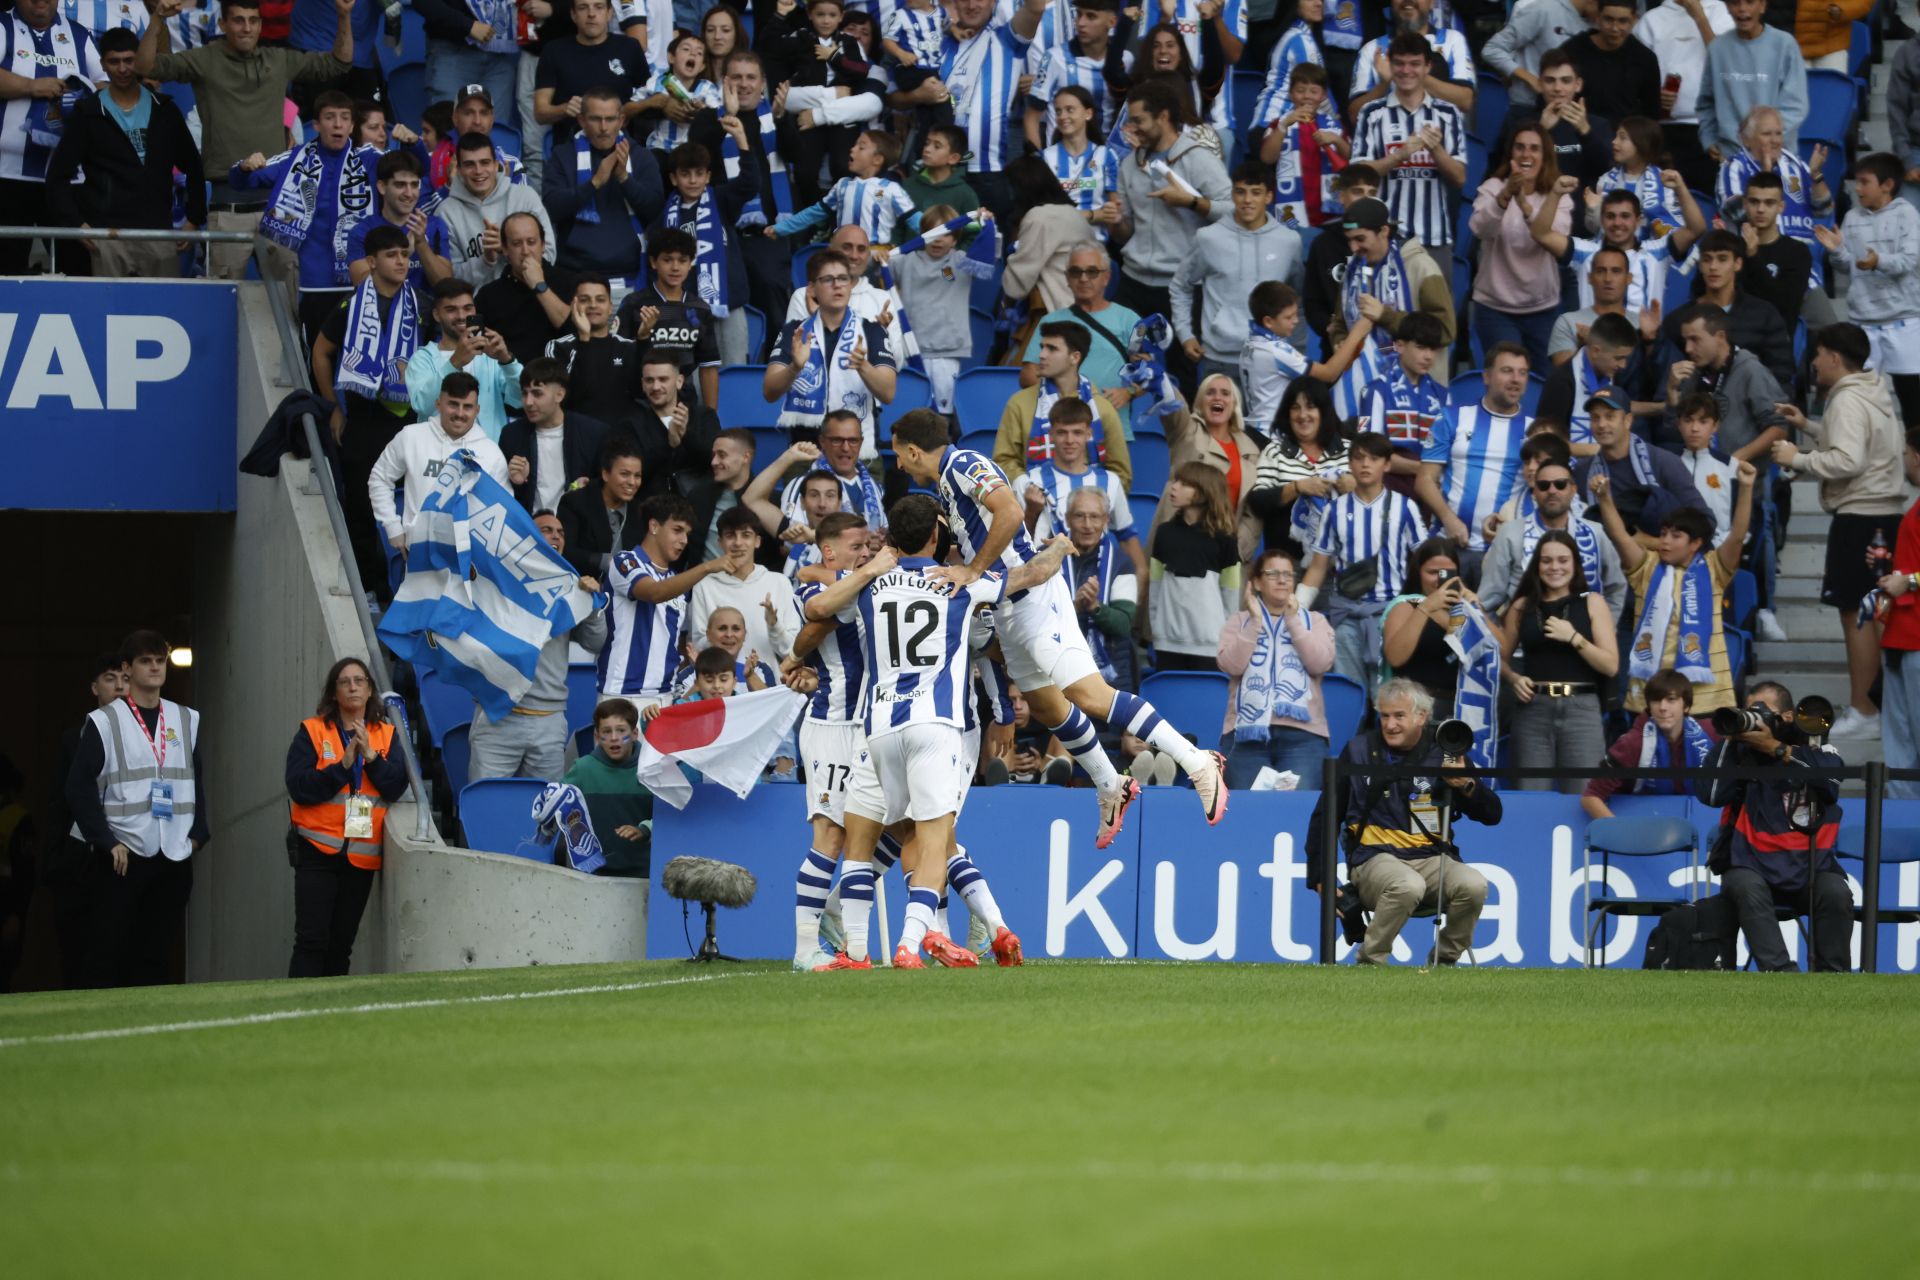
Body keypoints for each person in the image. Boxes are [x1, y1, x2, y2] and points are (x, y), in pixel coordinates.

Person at [890, 408, 1230, 846]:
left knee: (1088, 694)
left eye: (900, 455)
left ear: (915, 450)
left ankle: (1198, 762)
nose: (898, 464)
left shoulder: (963, 464)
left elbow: (1009, 512)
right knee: (1048, 707)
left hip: (1034, 600)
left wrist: (973, 570)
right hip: (1008, 607)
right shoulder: (948, 483)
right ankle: (1111, 785)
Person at [815, 493, 1069, 969]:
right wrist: (1056, 548)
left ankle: (856, 949)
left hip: (880, 727)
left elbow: (820, 609)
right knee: (933, 839)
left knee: (866, 838)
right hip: (936, 726)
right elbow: (1033, 575)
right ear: (937, 534)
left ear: (890, 537)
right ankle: (915, 942)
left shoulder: (868, 585)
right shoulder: (963, 585)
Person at [135, 0, 349, 282]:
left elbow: (339, 63)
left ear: (261, 25)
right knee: (221, 302)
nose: (247, 28)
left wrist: (344, 15)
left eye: (253, 20)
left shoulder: (278, 59)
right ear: (223, 24)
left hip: (280, 206)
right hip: (228, 206)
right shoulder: (204, 59)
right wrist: (157, 20)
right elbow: (146, 65)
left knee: (290, 304)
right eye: (238, 20)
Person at [1307, 677, 1503, 966]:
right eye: (1384, 716)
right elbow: (1325, 816)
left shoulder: (1446, 750)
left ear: (1421, 716)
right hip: (1373, 858)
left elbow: (1492, 814)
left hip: (1432, 857)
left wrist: (1465, 785)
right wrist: (1320, 878)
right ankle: (1370, 963)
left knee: (1474, 885)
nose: (1390, 724)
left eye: (1399, 716)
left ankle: (1443, 963)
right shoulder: (1359, 750)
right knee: (1407, 884)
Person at [1770, 324, 1904, 741]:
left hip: (1861, 518)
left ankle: (1864, 709)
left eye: (1818, 354)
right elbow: (1855, 441)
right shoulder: (1872, 389)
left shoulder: (1846, 399)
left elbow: (1847, 460)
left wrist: (1799, 456)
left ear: (1832, 357)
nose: (1813, 362)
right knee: (1872, 612)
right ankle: (1880, 705)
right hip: (1883, 517)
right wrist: (1810, 426)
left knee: (1857, 614)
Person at [66, 630, 206, 988]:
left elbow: (195, 778)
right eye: (146, 661)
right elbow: (78, 787)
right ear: (128, 669)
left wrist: (198, 834)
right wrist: (105, 840)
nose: (156, 667)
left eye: (160, 660)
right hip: (124, 852)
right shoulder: (106, 721)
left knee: (157, 951)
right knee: (111, 949)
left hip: (173, 849)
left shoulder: (184, 719)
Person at [782, 511, 886, 967]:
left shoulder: (859, 578)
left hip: (870, 725)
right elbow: (816, 611)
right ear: (829, 550)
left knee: (896, 828)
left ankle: (835, 906)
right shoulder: (814, 586)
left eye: (868, 545)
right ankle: (805, 950)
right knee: (831, 834)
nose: (865, 552)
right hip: (831, 724)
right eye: (856, 545)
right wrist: (867, 571)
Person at [1698, 681, 1849, 973]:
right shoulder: (1738, 754)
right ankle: (1780, 974)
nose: (1754, 716)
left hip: (1810, 869)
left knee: (1836, 892)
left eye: (1762, 711)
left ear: (1788, 717)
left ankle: (1835, 978)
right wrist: (1733, 735)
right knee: (1744, 884)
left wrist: (1777, 750)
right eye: (1749, 710)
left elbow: (1831, 782)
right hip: (1750, 865)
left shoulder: (1815, 748)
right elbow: (1711, 795)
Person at [1592, 459, 1754, 716]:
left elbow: (1736, 535)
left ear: (1696, 543)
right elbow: (1620, 535)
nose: (1665, 541)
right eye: (1664, 533)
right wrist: (1604, 499)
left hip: (1704, 700)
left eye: (1676, 536)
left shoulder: (1714, 569)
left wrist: (1746, 488)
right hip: (1650, 698)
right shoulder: (1646, 566)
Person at [312, 224, 421, 597]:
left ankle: (402, 589)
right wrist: (332, 407)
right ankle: (370, 589)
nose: (401, 261)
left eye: (405, 254)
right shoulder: (351, 304)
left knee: (408, 508)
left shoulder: (419, 302)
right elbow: (321, 352)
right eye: (392, 255)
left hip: (406, 421)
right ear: (371, 262)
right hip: (362, 420)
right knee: (361, 505)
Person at [44, 26, 205, 278]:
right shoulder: (88, 112)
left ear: (139, 60)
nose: (122, 69)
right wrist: (78, 226)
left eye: (129, 60)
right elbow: (57, 177)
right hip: (107, 237)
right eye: (114, 61)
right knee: (107, 313)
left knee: (160, 311)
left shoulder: (164, 110)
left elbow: (193, 166)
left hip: (158, 234)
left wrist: (194, 219)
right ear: (102, 65)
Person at [284, 656, 407, 978]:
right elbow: (299, 787)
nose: (353, 687)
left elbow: (396, 786)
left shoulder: (387, 735)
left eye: (360, 681)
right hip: (316, 850)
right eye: (345, 681)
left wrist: (371, 759)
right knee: (311, 940)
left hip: (361, 856)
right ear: (334, 692)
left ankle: (333, 1017)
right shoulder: (312, 731)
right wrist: (342, 766)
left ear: (369, 692)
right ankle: (297, 1013)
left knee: (341, 945)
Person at [229, 89, 381, 338]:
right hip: (313, 283)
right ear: (317, 125)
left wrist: (414, 145)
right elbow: (242, 180)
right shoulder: (294, 159)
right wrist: (244, 167)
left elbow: (413, 172)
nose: (338, 124)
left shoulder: (370, 159)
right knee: (314, 360)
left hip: (360, 280)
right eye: (330, 117)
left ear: (353, 125)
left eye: (345, 117)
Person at [1111, 79, 1233, 388]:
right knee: (1120, 363)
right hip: (1134, 281)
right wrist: (1114, 222)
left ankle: (1188, 434)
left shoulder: (1198, 159)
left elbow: (1234, 210)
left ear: (1163, 117)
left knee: (1185, 372)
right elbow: (1125, 236)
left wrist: (1191, 202)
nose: (1132, 127)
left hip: (1181, 286)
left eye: (1139, 120)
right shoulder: (1128, 165)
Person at [881, 0, 1052, 221]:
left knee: (988, 246)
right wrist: (917, 96)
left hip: (987, 170)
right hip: (936, 171)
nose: (972, 5)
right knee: (931, 244)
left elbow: (1035, 8)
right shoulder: (934, 40)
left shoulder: (1007, 38)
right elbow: (891, 97)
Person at [470, 517, 607, 782]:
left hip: (548, 720)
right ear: (526, 536)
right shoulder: (496, 582)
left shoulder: (571, 588)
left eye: (561, 532)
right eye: (547, 530)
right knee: (488, 810)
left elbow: (595, 642)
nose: (556, 536)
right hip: (499, 716)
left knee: (544, 816)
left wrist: (591, 605)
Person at [1299, 430, 1428, 685]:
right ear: (1349, 464)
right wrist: (1296, 607)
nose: (1365, 464)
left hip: (1391, 614)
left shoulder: (1406, 507)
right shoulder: (1334, 510)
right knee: (1349, 691)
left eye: (1374, 458)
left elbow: (1425, 559)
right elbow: (1317, 567)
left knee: (1387, 696)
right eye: (1358, 458)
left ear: (1387, 464)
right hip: (1346, 613)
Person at [1499, 530, 1619, 792]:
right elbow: (1498, 661)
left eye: (1563, 560)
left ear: (1575, 563)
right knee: (1530, 796)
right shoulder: (1521, 606)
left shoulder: (1592, 602)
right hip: (1533, 708)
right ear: (1537, 565)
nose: (1555, 567)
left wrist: (1574, 637)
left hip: (1582, 707)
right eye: (1547, 560)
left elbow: (1611, 665)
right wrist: (1513, 678)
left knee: (1585, 794)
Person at [1171, 163, 1306, 387]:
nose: (1247, 200)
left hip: (1273, 360)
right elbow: (1180, 286)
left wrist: (1297, 349)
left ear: (1269, 197)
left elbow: (1297, 299)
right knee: (1219, 424)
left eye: (1256, 192)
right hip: (1219, 360)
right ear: (1232, 195)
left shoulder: (1289, 242)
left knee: (1269, 424)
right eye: (1240, 192)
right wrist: (1185, 334)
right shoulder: (1208, 238)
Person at [1815, 153, 1920, 429]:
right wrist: (1837, 250)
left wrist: (1878, 262)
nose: (1857, 189)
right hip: (1864, 323)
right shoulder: (1851, 217)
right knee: (1858, 399)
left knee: (1912, 399)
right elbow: (1846, 266)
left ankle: (1916, 460)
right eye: (1857, 182)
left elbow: (1909, 260)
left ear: (1887, 185)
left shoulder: (1907, 214)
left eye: (1864, 182)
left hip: (1904, 321)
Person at [1217, 546, 1334, 788]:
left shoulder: (1315, 621)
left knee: (1298, 815)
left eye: (1288, 575)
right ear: (1257, 582)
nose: (1282, 580)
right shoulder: (1239, 621)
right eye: (1272, 573)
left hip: (1303, 737)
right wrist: (1256, 622)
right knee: (1247, 814)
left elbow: (1320, 663)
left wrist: (1293, 620)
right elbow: (1231, 665)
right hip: (1245, 735)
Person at [599, 494, 731, 706]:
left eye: (687, 534)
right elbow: (654, 593)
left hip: (666, 697)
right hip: (622, 695)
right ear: (654, 526)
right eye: (677, 530)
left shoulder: (677, 582)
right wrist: (707, 567)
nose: (684, 541)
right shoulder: (625, 561)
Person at [1328, 198, 1456, 417]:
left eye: (1360, 239)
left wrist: (1385, 316)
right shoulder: (1352, 271)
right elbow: (1339, 323)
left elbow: (1445, 330)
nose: (1353, 248)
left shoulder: (1421, 267)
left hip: (1417, 399)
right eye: (1349, 240)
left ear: (1384, 231)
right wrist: (1340, 343)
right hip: (1363, 393)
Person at [764, 250, 897, 457]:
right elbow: (769, 392)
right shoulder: (796, 331)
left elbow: (888, 393)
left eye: (844, 278)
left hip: (857, 454)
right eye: (828, 279)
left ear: (851, 286)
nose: (837, 285)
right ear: (812, 289)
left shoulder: (871, 330)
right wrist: (794, 368)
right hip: (805, 452)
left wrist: (863, 366)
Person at [1415, 342, 1530, 577]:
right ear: (1486, 376)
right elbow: (1424, 479)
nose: (1516, 379)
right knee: (1444, 613)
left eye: (1522, 373)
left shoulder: (1535, 431)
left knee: (1492, 615)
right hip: (1450, 546)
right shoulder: (1451, 417)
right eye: (1507, 371)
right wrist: (1449, 520)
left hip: (1503, 552)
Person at [646, 139, 762, 369]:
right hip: (688, 309)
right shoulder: (665, 216)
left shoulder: (722, 199)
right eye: (685, 174)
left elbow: (751, 182)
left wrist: (742, 142)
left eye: (699, 173)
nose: (692, 180)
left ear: (708, 176)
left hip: (729, 303)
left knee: (734, 368)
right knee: (695, 372)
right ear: (673, 178)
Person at [369, 371, 512, 556]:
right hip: (417, 554)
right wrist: (393, 528)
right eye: (453, 404)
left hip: (469, 561)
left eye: (467, 407)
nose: (460, 413)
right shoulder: (411, 436)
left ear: (477, 410)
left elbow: (503, 508)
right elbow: (379, 478)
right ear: (438, 403)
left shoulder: (491, 453)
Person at [1350, 32, 1468, 252]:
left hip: (1435, 239)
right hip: (1384, 239)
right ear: (1390, 66)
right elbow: (1359, 174)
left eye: (1415, 64)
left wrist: (1437, 150)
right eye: (1399, 64)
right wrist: (1399, 155)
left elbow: (1460, 178)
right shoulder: (1371, 112)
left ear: (1428, 67)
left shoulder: (1448, 113)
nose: (1406, 71)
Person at [1010, 401, 1146, 585]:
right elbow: (1015, 546)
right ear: (1050, 434)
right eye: (1062, 432)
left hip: (1097, 587)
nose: (1069, 440)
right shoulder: (1027, 482)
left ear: (1089, 434)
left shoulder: (1110, 482)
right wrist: (1032, 513)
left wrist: (1142, 581)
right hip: (1045, 586)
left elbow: (1127, 537)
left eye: (1077, 432)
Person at [1468, 121, 1568, 368]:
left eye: (1534, 149)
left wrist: (1524, 206)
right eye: (1520, 147)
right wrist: (1505, 197)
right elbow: (1479, 229)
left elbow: (1556, 241)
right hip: (1495, 308)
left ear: (1545, 157)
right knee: (1508, 378)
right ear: (1511, 153)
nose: (1526, 154)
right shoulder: (1493, 188)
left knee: (1546, 387)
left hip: (1543, 309)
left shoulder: (1557, 195)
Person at [543, 86, 665, 285]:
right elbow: (551, 209)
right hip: (575, 275)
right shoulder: (562, 155)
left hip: (630, 274)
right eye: (595, 119)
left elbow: (654, 210)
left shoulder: (641, 156)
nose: (603, 127)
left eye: (610, 119)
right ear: (581, 120)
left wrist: (624, 178)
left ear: (622, 120)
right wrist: (594, 183)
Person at [1479, 456, 1628, 619]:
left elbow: (1616, 587)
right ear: (1534, 492)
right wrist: (1502, 640)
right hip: (1526, 640)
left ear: (1573, 490)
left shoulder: (1595, 532)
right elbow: (1487, 600)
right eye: (1544, 485)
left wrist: (1606, 630)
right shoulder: (1510, 534)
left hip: (1586, 641)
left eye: (1560, 484)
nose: (1552, 491)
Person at [1531, 178, 1706, 316]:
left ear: (1638, 221)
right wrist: (1555, 193)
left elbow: (1696, 228)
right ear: (1601, 220)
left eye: (1625, 216)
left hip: (1642, 352)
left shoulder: (1657, 252)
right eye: (1610, 216)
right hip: (1596, 352)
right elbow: (1541, 234)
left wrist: (1681, 189)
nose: (1617, 223)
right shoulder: (1584, 252)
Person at [1016, 245, 1145, 422]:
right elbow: (1028, 375)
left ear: (1106, 277)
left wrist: (1128, 392)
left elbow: (1150, 374)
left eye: (1092, 272)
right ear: (1067, 279)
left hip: (1113, 427)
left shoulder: (1130, 320)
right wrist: (1066, 398)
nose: (1083, 278)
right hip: (1061, 429)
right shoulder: (1050, 321)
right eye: (1076, 272)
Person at [997, 324, 1134, 488]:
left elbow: (1121, 472)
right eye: (1042, 347)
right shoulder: (1019, 403)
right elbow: (1003, 461)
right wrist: (1029, 489)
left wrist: (1091, 502)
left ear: (1074, 357)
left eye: (1052, 349)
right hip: (1032, 506)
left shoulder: (1102, 408)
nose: (1041, 355)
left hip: (1090, 507)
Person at [891, 203, 996, 415]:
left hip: (945, 351)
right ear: (921, 235)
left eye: (946, 234)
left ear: (955, 239)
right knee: (909, 411)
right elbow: (871, 268)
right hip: (909, 349)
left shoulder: (962, 262)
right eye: (932, 233)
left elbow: (988, 260)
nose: (938, 239)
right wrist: (879, 256)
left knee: (940, 413)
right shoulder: (903, 260)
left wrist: (988, 224)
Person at [1663, 231, 1795, 392]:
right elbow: (1668, 378)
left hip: (1752, 407)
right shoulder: (1679, 319)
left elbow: (1781, 373)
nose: (1713, 267)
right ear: (1700, 266)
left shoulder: (1764, 315)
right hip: (1697, 409)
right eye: (1707, 259)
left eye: (1722, 259)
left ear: (1738, 263)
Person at [1154, 373, 1266, 558]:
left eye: (1225, 393)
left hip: (1224, 550)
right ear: (1199, 402)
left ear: (1235, 404)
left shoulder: (1251, 450)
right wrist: (1159, 380)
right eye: (1210, 392)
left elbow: (1252, 511)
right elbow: (1174, 407)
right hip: (1178, 544)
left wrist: (1235, 549)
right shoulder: (1187, 430)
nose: (1217, 397)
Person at [1581, 667, 1716, 818]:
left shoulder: (1709, 734)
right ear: (1649, 707)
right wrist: (1619, 831)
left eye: (1671, 700)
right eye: (1656, 700)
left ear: (1686, 706)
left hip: (1697, 821)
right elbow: (1591, 797)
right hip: (1641, 822)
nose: (1663, 708)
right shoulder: (1632, 744)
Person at [1574, 387, 1707, 539]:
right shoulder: (1583, 471)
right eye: (1595, 418)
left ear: (1628, 420)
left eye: (1610, 416)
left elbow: (1704, 521)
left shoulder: (1664, 462)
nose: (1602, 424)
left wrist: (1655, 544)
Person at [1144, 463, 1242, 670]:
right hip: (1167, 643)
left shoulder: (1225, 540)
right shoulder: (1164, 533)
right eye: (1175, 481)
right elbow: (1156, 587)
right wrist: (1158, 630)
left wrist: (1224, 636)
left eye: (1184, 484)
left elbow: (1231, 595)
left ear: (1205, 492)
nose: (1174, 487)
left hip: (1210, 645)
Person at [1664, 303, 1788, 463]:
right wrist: (1672, 391)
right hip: (1699, 477)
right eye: (1685, 340)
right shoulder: (1693, 374)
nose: (1688, 348)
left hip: (1741, 481)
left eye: (1695, 339)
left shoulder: (1750, 370)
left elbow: (1779, 429)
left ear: (1720, 337)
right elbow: (1675, 435)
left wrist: (1733, 461)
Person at [1632, 0, 1735, 192]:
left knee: (1712, 197)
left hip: (1711, 127)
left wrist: (1699, 16)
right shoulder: (1651, 21)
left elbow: (1726, 65)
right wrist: (1654, 94)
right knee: (1667, 198)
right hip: (1664, 129)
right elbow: (1636, 78)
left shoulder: (1724, 13)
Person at [405, 278, 526, 440]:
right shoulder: (421, 358)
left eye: (468, 308)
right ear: (436, 314)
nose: (461, 316)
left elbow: (521, 399)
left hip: (489, 456)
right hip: (439, 458)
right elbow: (422, 406)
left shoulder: (489, 355)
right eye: (451, 310)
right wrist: (455, 362)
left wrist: (506, 360)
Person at [1246, 375, 1354, 553]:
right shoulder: (1275, 451)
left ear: (1323, 412)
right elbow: (1257, 501)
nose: (1302, 415)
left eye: (1310, 407)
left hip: (1342, 563)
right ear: (1287, 414)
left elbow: (1378, 496)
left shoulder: (1350, 451)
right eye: (1295, 408)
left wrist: (1357, 487)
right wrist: (1296, 488)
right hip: (1287, 564)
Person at [440, 130, 558, 287]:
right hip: (479, 306)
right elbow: (453, 279)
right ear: (459, 170)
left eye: (485, 162)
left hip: (529, 295)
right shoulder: (446, 212)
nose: (478, 171)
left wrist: (508, 248)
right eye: (469, 164)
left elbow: (549, 255)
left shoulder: (525, 197)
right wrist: (486, 260)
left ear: (496, 165)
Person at [1695, 0, 1806, 164]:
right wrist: (1709, 139)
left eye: (1749, 2)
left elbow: (1795, 106)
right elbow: (1706, 103)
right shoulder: (1717, 48)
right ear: (1727, 7)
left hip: (1777, 156)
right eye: (1734, 3)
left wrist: (1766, 141)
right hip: (1731, 157)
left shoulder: (1784, 44)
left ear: (1762, 6)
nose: (1742, 9)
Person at [689, 506, 802, 665]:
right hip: (721, 686)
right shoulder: (704, 586)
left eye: (746, 535)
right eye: (730, 535)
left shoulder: (779, 582)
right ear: (720, 542)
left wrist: (774, 625)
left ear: (757, 541)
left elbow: (791, 650)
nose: (738, 543)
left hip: (769, 686)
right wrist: (723, 637)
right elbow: (699, 646)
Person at [499, 358, 610, 515]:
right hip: (529, 529)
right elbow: (503, 495)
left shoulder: (593, 433)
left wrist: (586, 490)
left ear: (559, 394)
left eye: (537, 393)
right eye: (524, 393)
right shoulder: (511, 435)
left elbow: (606, 486)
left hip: (577, 527)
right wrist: (517, 482)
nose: (528, 402)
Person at [1872, 430, 1920, 797]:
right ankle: (1904, 823)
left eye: (1905, 453)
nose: (1904, 460)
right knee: (1900, 744)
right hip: (1903, 636)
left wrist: (1912, 580)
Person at [532, 0, 646, 150]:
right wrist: (564, 109)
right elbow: (540, 113)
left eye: (599, 7)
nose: (591, 14)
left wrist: (631, 110)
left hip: (621, 150)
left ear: (609, 13)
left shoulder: (629, 48)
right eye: (583, 7)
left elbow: (647, 95)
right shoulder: (553, 51)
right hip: (570, 151)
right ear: (573, 14)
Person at [1380, 537, 1474, 714]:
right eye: (1432, 572)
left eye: (1447, 573)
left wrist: (1476, 609)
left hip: (1460, 706)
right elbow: (1395, 657)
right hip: (1414, 706)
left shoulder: (1466, 607)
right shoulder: (1406, 605)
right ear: (1418, 572)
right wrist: (1427, 607)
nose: (1439, 580)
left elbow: (1498, 651)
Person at [1003, 152, 1102, 318]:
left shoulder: (1040, 217)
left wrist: (1003, 303)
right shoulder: (1072, 213)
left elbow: (1018, 281)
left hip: (1059, 312)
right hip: (1085, 307)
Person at [345, 149, 454, 300]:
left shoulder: (434, 225)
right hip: (380, 319)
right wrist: (403, 253)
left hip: (426, 318)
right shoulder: (362, 231)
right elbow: (361, 285)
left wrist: (422, 244)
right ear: (382, 187)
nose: (409, 193)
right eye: (400, 185)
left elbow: (446, 287)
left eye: (414, 185)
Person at [563, 699, 655, 876]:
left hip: (644, 874)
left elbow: (670, 818)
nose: (614, 737)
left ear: (635, 733)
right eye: (606, 731)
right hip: (592, 875)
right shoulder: (582, 769)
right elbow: (556, 808)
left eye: (621, 730)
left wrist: (645, 829)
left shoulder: (652, 770)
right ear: (597, 737)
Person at [1255, 62, 1351, 229]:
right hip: (1293, 211)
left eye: (1314, 91)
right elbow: (1267, 158)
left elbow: (1352, 158)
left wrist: (1336, 140)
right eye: (1300, 91)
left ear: (1323, 95)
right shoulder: (1279, 124)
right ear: (1291, 94)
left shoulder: (1334, 125)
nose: (1307, 96)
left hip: (1329, 214)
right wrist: (1284, 126)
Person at [1063, 488, 1141, 694]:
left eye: (1095, 517)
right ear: (1067, 519)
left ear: (1106, 520)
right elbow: (1039, 619)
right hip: (1061, 671)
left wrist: (1095, 608)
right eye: (1080, 516)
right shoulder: (1048, 561)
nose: (1088, 525)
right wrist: (1076, 607)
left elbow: (1123, 624)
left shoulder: (1122, 563)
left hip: (1112, 675)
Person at [1344, 0, 1474, 122]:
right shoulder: (1372, 49)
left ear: (1432, 2)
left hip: (1440, 140)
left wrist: (1401, 75)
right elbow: (1354, 115)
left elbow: (1465, 101)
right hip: (1388, 142)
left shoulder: (1453, 40)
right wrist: (1384, 85)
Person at [474, 212, 577, 362]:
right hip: (507, 379)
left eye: (531, 242)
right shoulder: (488, 295)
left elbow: (575, 331)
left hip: (560, 378)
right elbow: (476, 349)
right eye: (516, 244)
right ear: (505, 249)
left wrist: (539, 286)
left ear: (543, 245)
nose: (525, 251)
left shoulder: (569, 282)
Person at [543, 275, 643, 429]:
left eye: (600, 300)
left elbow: (641, 393)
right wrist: (584, 338)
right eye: (584, 300)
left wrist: (645, 341)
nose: (593, 305)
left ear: (610, 307)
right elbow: (562, 398)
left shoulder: (628, 347)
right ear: (572, 305)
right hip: (576, 438)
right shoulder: (558, 347)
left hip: (621, 441)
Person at [1539, 312, 1643, 450]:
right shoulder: (1562, 381)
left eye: (1626, 358)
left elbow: (1627, 405)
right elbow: (1544, 442)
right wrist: (1593, 452)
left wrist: (1661, 407)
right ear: (1595, 351)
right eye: (1618, 358)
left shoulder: (1610, 372)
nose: (1623, 365)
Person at [624, 354, 720, 498]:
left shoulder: (704, 416)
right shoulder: (630, 425)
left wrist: (686, 436)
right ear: (642, 384)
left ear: (679, 381)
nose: (656, 387)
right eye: (650, 380)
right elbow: (633, 473)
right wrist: (669, 445)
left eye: (663, 379)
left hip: (699, 507)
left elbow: (715, 462)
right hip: (651, 507)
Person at [1730, 172, 1815, 331]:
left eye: (1769, 203)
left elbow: (1783, 305)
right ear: (1744, 204)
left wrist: (1753, 255)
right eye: (1754, 202)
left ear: (1781, 207)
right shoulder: (1730, 249)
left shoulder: (1797, 252)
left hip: (1775, 345)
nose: (1761, 209)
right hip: (1733, 340)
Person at [1557, 0, 1660, 127]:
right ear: (1598, 18)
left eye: (1623, 21)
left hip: (1624, 139)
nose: (1614, 28)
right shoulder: (1572, 51)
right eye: (1608, 19)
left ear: (1634, 20)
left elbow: (1652, 111)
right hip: (1576, 132)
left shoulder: (1645, 58)